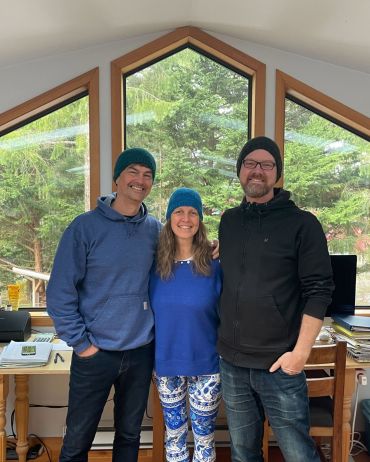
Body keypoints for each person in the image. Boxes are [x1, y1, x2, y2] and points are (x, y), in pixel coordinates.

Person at [217, 136, 334, 462]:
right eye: (250, 164)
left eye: (266, 165)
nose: (257, 171)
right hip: (232, 363)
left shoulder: (302, 224)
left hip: (280, 365)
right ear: (240, 171)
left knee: (299, 455)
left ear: (277, 174)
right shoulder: (229, 222)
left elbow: (319, 290)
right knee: (243, 453)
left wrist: (300, 353)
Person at [47, 147, 161, 462]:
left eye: (148, 175)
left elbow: (179, 261)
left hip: (140, 352)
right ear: (117, 178)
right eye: (134, 172)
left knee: (129, 437)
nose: (140, 180)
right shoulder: (84, 228)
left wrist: (212, 248)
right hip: (95, 353)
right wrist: (82, 344)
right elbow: (59, 293)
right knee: (77, 441)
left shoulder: (154, 230)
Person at [150, 188, 222, 462]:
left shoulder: (216, 263)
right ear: (169, 218)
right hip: (166, 364)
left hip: (207, 365)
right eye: (179, 211)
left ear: (200, 220)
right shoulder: (155, 264)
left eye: (193, 212)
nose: (186, 218)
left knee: (204, 439)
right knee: (175, 435)